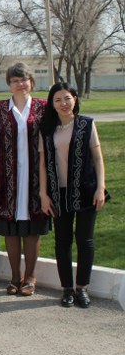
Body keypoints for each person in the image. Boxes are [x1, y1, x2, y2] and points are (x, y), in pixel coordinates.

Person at [39, 82, 107, 308]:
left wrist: (100, 188)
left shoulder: (87, 124)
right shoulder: (46, 129)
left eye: (67, 98)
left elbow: (98, 158)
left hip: (86, 190)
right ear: (52, 104)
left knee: (85, 240)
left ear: (75, 99)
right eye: (58, 100)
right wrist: (43, 194)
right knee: (62, 241)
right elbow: (42, 165)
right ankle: (67, 289)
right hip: (58, 193)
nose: (63, 103)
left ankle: (82, 288)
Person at [0, 63, 49, 296]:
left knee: (31, 229)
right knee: (11, 230)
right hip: (7, 178)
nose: (20, 84)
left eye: (23, 79)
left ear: (31, 82)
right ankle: (15, 277)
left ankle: (30, 277)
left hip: (35, 178)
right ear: (8, 84)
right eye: (14, 80)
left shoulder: (43, 107)